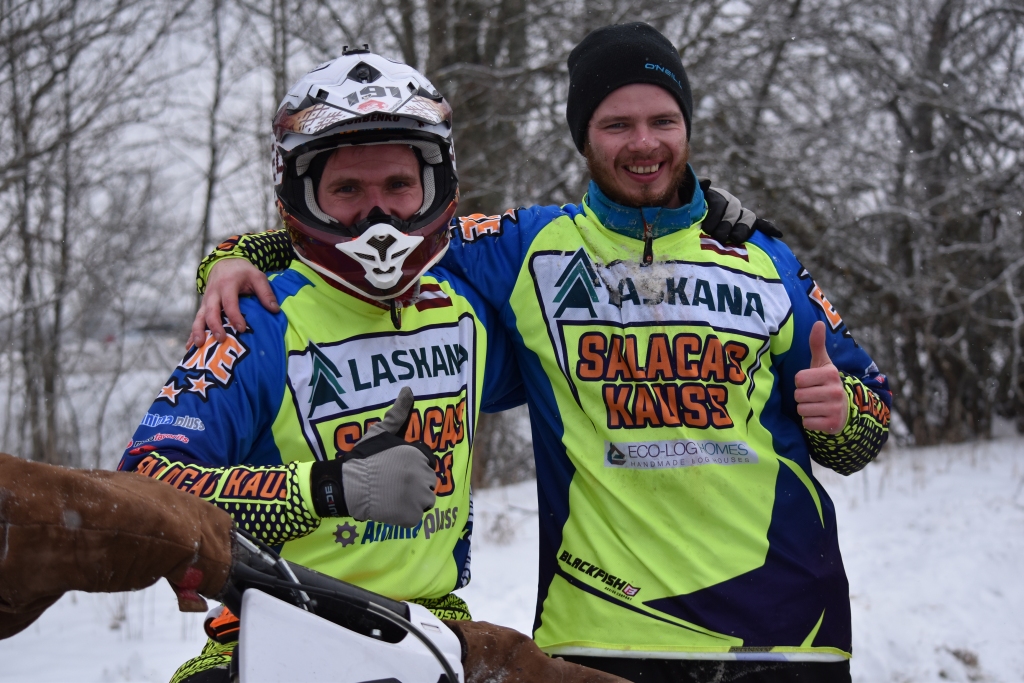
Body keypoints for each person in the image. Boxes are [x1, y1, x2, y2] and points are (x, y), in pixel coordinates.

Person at [192, 25, 892, 683]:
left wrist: (843, 417)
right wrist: (232, 257)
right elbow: (379, 228)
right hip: (600, 635)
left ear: (687, 127)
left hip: (788, 629)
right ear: (583, 137)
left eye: (662, 121)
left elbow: (867, 422)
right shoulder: (525, 247)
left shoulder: (761, 254)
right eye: (617, 124)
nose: (643, 143)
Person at [116, 49, 628, 683]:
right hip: (284, 630)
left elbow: (617, 255)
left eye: (397, 186)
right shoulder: (260, 323)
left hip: (437, 633)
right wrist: (328, 489)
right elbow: (144, 486)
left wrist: (702, 211)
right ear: (304, 194)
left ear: (433, 185)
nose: (377, 215)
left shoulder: (468, 305)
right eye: (347, 190)